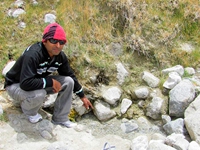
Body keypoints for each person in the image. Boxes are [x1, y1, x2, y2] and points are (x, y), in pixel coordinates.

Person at [4, 23, 94, 128]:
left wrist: (82, 96)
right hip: (16, 85)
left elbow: (69, 74)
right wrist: (50, 82)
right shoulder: (33, 54)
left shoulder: (59, 57)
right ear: (45, 40)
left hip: (36, 81)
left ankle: (60, 119)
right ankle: (29, 112)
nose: (58, 46)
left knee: (68, 81)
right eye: (53, 41)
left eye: (62, 42)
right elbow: (25, 83)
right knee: (39, 93)